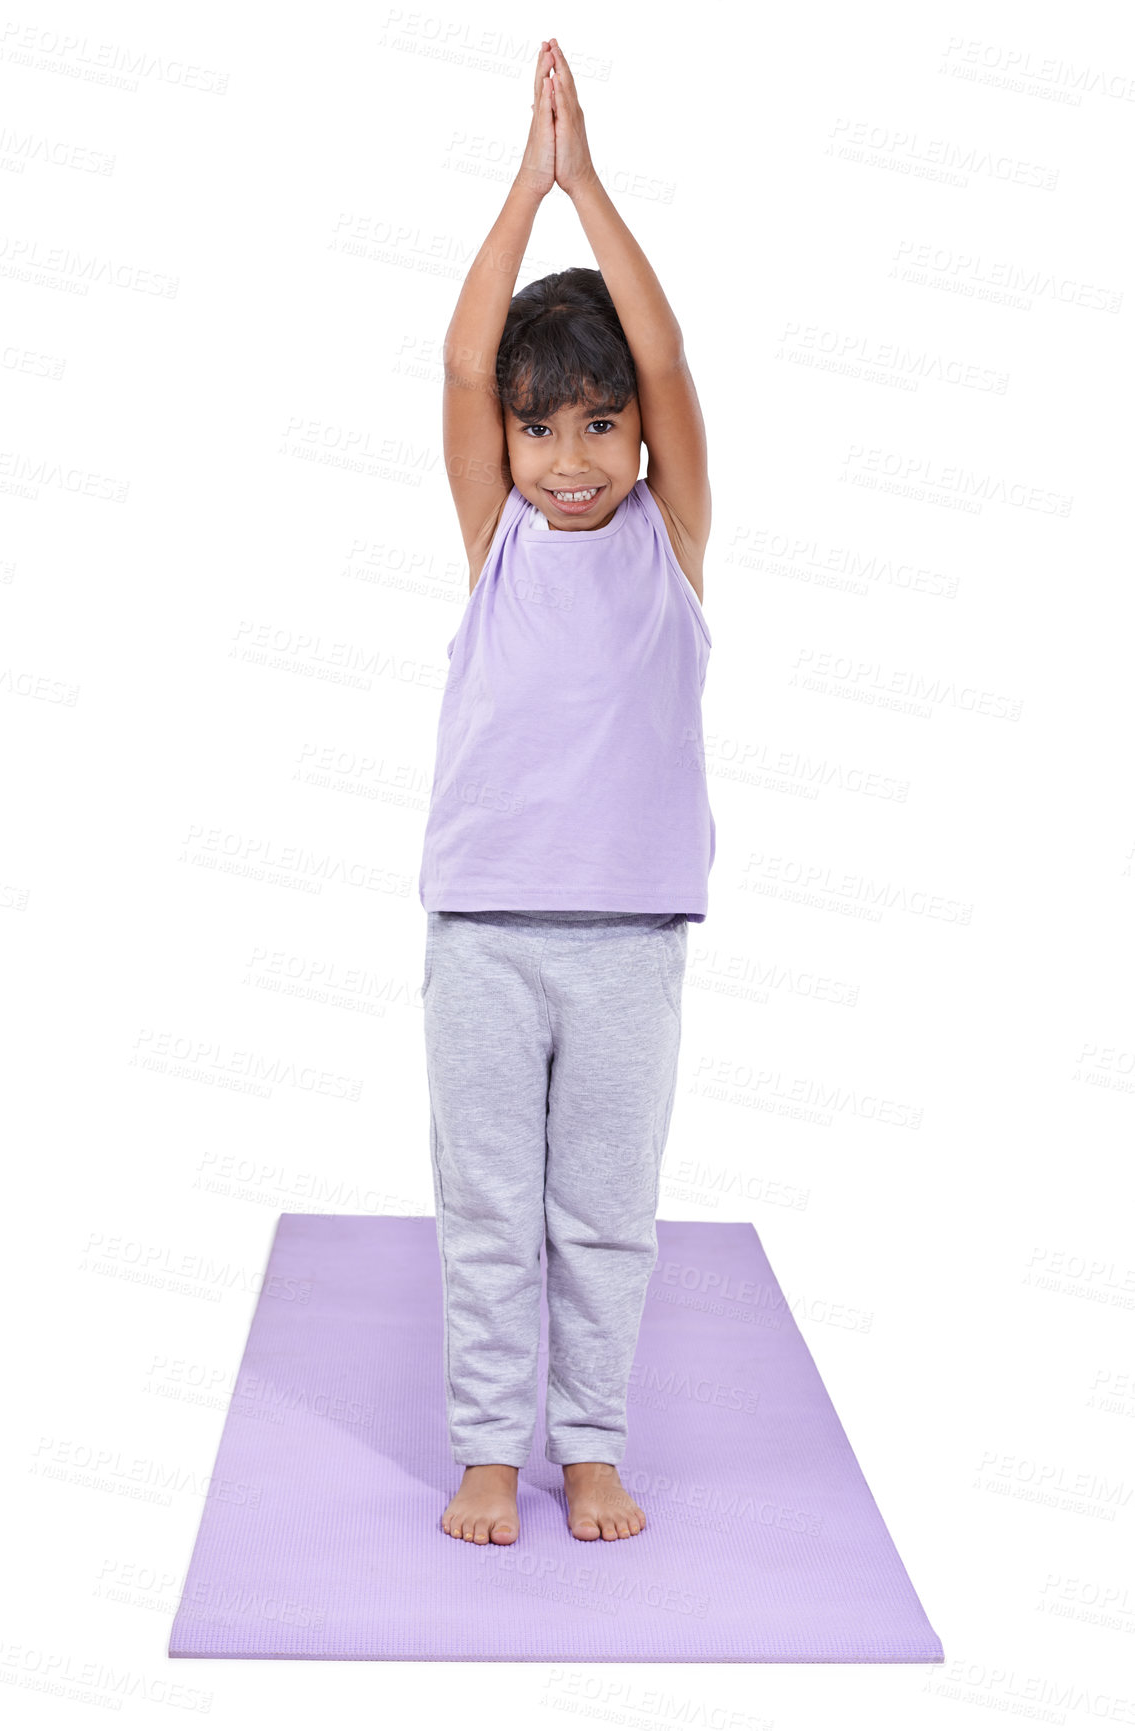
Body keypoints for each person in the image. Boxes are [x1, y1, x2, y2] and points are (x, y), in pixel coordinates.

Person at [418, 38, 715, 1547]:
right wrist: (522, 188)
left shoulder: (673, 539)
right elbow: (467, 363)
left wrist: (589, 189)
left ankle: (587, 1442)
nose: (571, 458)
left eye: (599, 423)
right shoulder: (499, 540)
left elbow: (664, 360)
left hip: (628, 948)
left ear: (642, 436)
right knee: (490, 1215)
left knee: (601, 1213)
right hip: (484, 935)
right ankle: (488, 1444)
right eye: (543, 429)